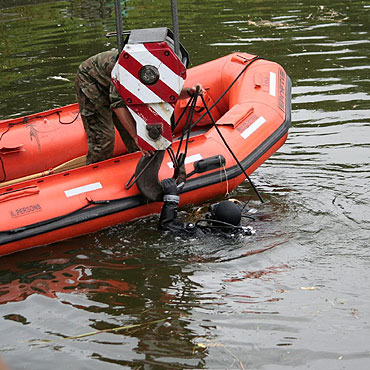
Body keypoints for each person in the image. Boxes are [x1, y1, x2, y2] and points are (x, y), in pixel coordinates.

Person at [75, 49, 202, 165]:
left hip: (116, 84)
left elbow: (167, 93)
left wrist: (190, 92)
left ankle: (138, 167)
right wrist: (136, 137)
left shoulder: (158, 69)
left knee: (141, 135)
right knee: (104, 139)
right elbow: (117, 104)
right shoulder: (129, 68)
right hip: (92, 81)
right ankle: (96, 171)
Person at [158, 178, 255, 237]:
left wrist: (171, 197)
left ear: (212, 218)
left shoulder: (201, 233)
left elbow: (167, 225)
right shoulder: (241, 231)